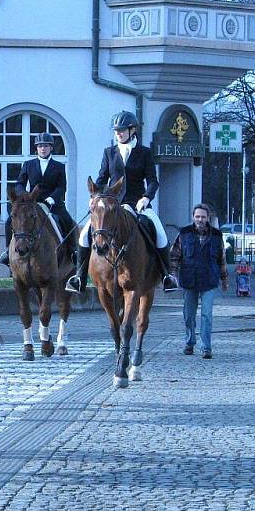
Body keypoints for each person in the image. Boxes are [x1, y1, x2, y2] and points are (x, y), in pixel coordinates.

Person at [66, 110, 179, 294]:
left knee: (160, 232)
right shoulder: (109, 153)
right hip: (112, 204)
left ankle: (167, 276)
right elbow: (102, 178)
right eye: (116, 130)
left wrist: (146, 197)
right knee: (84, 234)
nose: (118, 133)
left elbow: (152, 181)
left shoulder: (144, 153)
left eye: (122, 130)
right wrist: (94, 197)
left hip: (138, 204)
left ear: (132, 130)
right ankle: (79, 277)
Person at [0, 133, 76, 266]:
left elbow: (62, 187)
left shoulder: (59, 166)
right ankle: (8, 252)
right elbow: (19, 184)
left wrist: (52, 198)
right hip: (32, 201)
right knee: (9, 221)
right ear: (37, 148)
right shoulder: (28, 164)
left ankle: (73, 251)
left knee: (69, 222)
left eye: (46, 146)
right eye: (40, 146)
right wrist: (25, 196)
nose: (43, 149)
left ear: (51, 148)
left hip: (52, 202)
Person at [170, 203, 228, 360]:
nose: (200, 219)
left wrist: (224, 280)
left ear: (207, 217)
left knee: (206, 315)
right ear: (193, 217)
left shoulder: (216, 235)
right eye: (197, 217)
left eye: (203, 217)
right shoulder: (183, 233)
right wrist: (173, 276)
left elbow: (221, 259)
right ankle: (190, 342)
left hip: (209, 279)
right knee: (188, 315)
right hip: (189, 279)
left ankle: (206, 347)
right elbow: (174, 256)